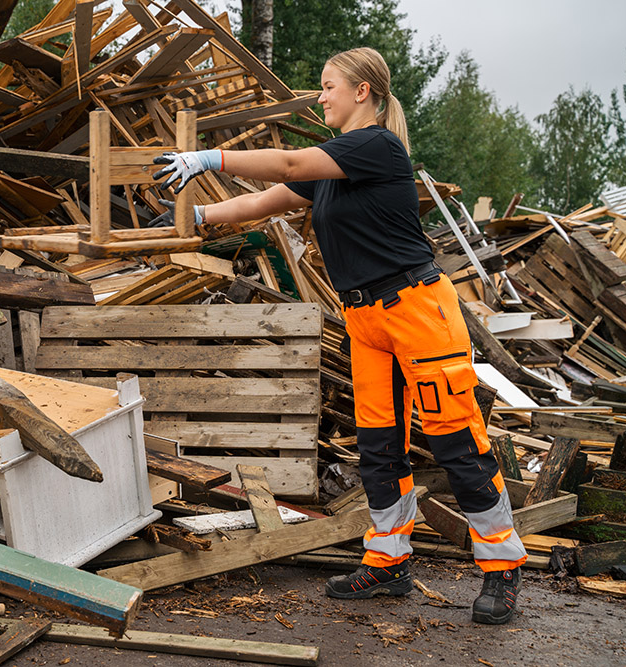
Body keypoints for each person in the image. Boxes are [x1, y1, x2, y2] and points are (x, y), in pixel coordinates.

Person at [151, 47, 527, 625]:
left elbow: (288, 167)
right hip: (366, 319)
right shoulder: (333, 168)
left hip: (419, 310)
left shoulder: (376, 146)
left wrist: (211, 157)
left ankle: (502, 570)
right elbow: (262, 201)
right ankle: (389, 561)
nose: (319, 96)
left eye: (328, 86)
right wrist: (198, 219)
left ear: (363, 93)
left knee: (456, 441)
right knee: (378, 447)